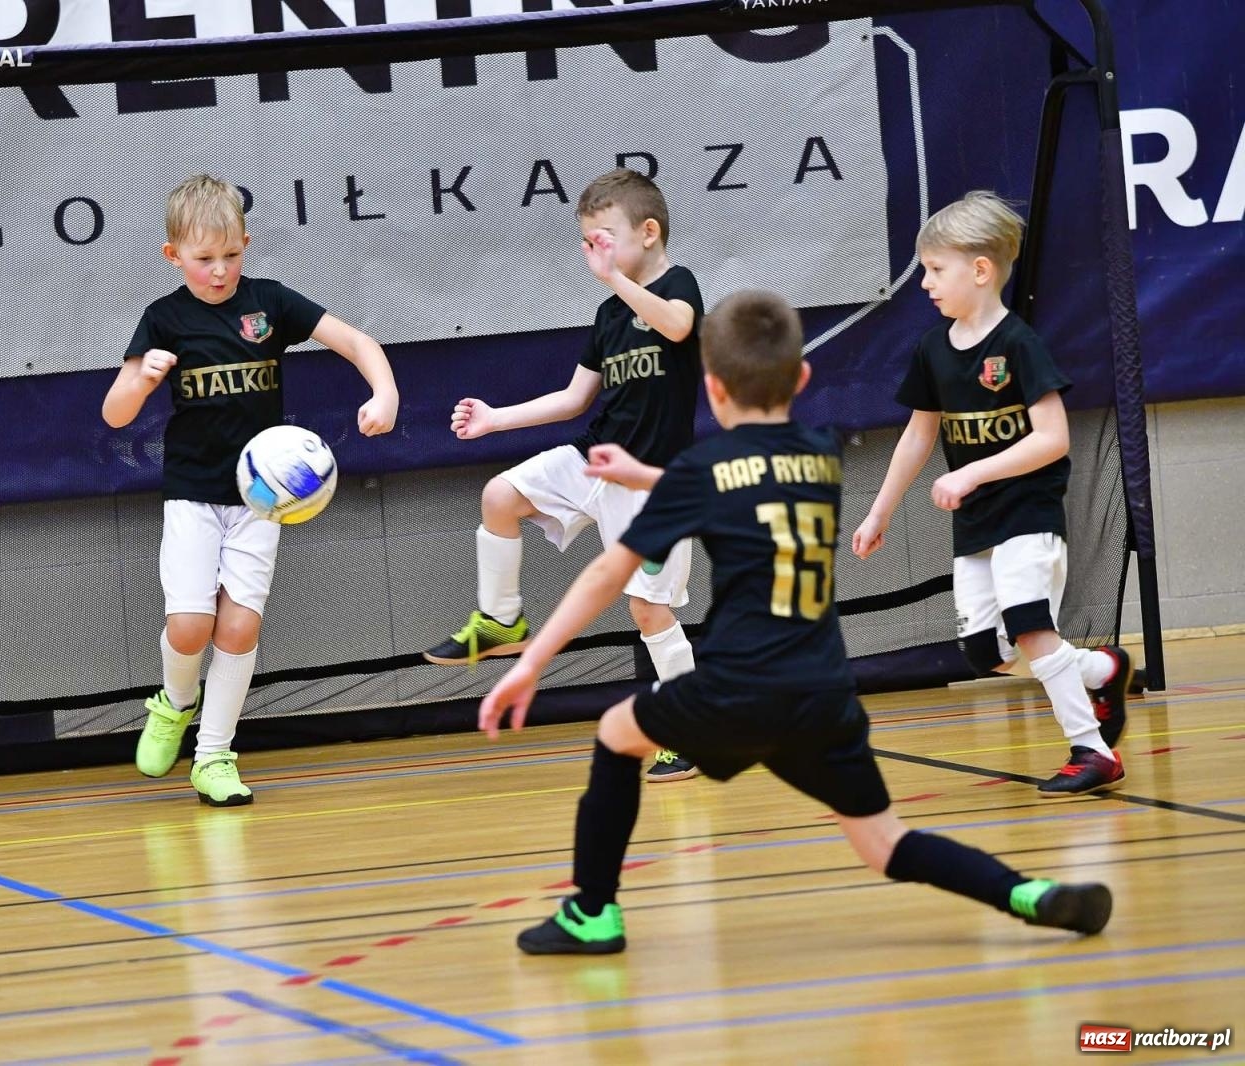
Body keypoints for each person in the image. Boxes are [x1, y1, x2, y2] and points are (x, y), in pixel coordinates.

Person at [479, 290, 1113, 955]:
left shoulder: (704, 469)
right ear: (802, 378)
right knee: (884, 842)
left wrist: (531, 662)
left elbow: (616, 566)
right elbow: (738, 481)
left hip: (739, 688)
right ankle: (1027, 894)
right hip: (822, 695)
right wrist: (644, 474)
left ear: (712, 389)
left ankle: (592, 912)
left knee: (616, 734)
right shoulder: (819, 456)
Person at [103, 174, 399, 806]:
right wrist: (144, 380)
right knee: (190, 625)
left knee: (237, 630)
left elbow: (355, 341)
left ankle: (213, 756)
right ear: (173, 256)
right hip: (192, 492)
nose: (219, 271)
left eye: (231, 255)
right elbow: (115, 415)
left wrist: (384, 392)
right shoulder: (163, 320)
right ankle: (175, 700)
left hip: (262, 498)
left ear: (246, 243)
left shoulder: (268, 304)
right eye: (204, 259)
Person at [851, 191, 1135, 797]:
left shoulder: (1018, 344)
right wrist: (879, 512)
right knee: (986, 653)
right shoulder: (932, 350)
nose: (925, 282)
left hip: (1028, 514)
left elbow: (1054, 439)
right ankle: (1103, 669)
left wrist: (973, 472)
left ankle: (1092, 750)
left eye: (934, 269)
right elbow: (917, 437)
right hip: (976, 525)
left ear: (980, 271)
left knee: (1032, 627)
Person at [423, 167, 701, 783]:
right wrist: (495, 420)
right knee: (499, 495)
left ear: (648, 233)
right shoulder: (609, 314)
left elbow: (679, 326)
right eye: (587, 242)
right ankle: (501, 618)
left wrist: (616, 281)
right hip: (594, 457)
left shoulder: (677, 287)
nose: (591, 253)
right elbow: (576, 398)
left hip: (653, 481)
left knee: (648, 612)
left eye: (603, 238)